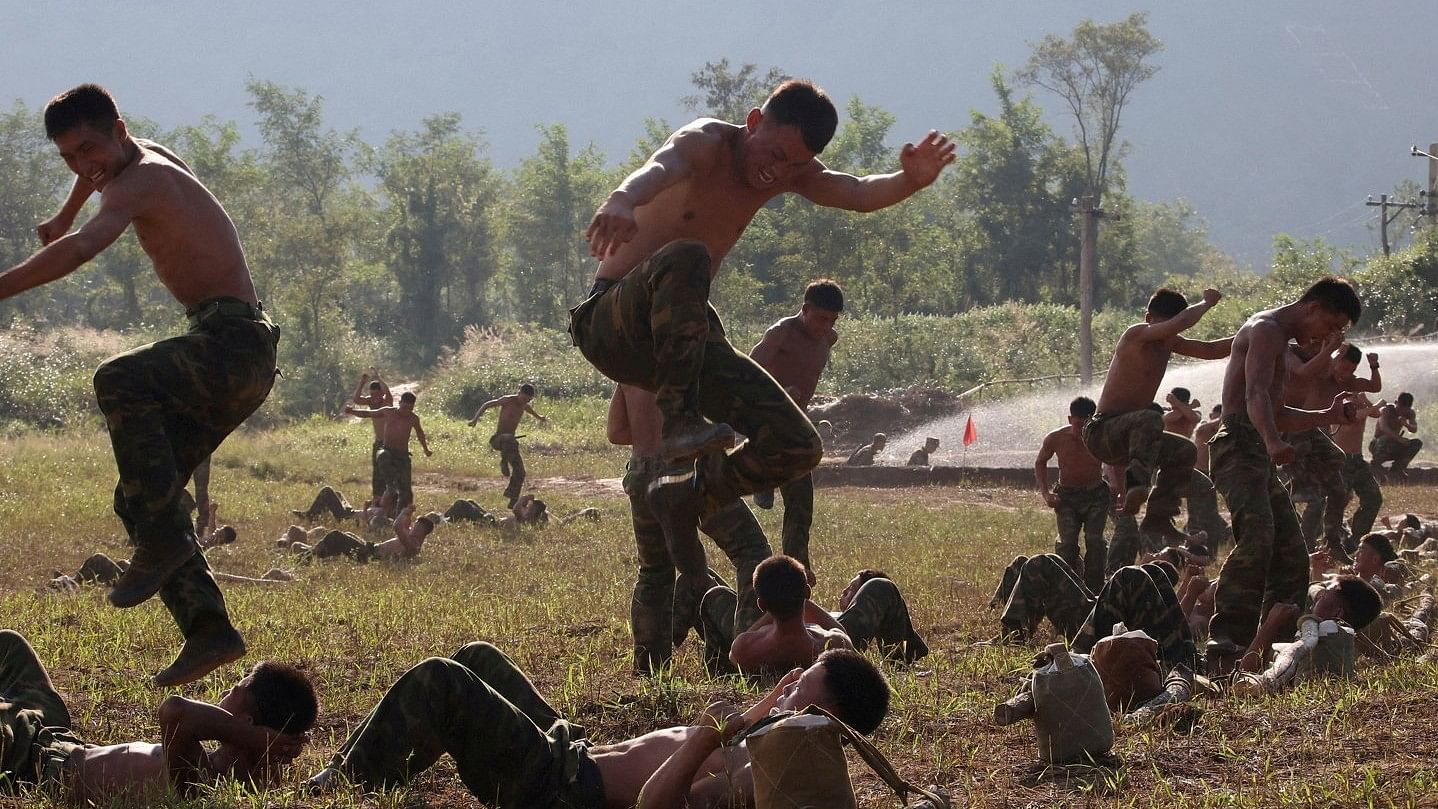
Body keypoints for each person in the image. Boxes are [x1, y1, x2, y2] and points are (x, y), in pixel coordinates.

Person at [568, 79, 954, 572]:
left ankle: (685, 497)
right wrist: (622, 198)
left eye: (793, 164)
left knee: (799, 445)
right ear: (754, 122)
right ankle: (681, 421)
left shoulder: (789, 171)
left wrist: (909, 182)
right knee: (689, 256)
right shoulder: (707, 142)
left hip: (682, 337)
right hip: (611, 321)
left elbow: (855, 192)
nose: (777, 171)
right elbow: (660, 166)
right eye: (774, 152)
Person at [0, 85, 281, 685]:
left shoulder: (141, 181)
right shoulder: (138, 156)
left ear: (119, 130)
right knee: (139, 499)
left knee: (119, 377)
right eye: (68, 156)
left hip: (231, 346)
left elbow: (81, 251)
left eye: (89, 149)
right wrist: (68, 207)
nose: (82, 165)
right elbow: (97, 178)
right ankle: (209, 629)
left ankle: (160, 546)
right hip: (237, 351)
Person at [306, 640, 891, 808]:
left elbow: (655, 805)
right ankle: (357, 764)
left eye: (801, 683)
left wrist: (714, 734)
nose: (787, 682)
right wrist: (765, 705)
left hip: (558, 789)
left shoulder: (763, 776)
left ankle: (351, 781)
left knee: (441, 680)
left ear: (825, 714)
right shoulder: (766, 732)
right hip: (573, 752)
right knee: (478, 657)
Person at [1206, 276, 1363, 675]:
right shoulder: (1265, 330)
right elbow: (1254, 396)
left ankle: (1276, 641)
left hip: (1256, 445)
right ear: (1313, 308)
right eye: (1330, 326)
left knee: (1292, 550)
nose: (1328, 337)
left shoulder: (1280, 340)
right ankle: (1226, 646)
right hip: (1238, 445)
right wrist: (1273, 442)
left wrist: (1328, 416)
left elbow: (1277, 410)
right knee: (1257, 537)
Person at [0, 629, 315, 800]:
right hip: (53, 733)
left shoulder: (200, 778)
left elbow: (176, 711)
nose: (224, 695)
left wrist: (256, 740)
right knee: (11, 645)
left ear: (245, 723)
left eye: (235, 689)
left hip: (27, 761)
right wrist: (265, 741)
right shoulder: (236, 767)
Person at [608, 383, 772, 674]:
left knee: (654, 572)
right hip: (692, 471)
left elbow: (617, 433)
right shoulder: (689, 358)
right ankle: (752, 656)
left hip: (643, 473)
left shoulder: (628, 368)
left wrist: (654, 437)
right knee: (751, 551)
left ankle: (650, 669)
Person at [1085, 288, 1232, 548]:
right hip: (1103, 432)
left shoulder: (1170, 341)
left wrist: (1254, 332)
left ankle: (1158, 517)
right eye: (1165, 327)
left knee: (1185, 450)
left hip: (1132, 436)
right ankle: (1136, 484)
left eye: (1172, 331)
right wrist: (1207, 303)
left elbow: (1212, 350)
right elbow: (1181, 321)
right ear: (1149, 318)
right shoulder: (1135, 334)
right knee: (1150, 417)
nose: (1169, 335)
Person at [748, 279, 844, 572]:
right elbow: (745, 375)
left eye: (831, 320)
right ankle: (764, 477)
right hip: (768, 422)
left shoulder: (828, 338)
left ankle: (797, 570)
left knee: (801, 505)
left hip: (796, 427)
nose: (824, 326)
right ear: (805, 309)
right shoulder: (780, 334)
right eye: (819, 319)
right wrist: (778, 392)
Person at [699, 558, 927, 675]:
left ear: (762, 604)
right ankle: (901, 662)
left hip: (759, 647)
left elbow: (746, 637)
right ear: (807, 593)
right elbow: (844, 636)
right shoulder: (830, 642)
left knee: (715, 593)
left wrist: (773, 609)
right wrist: (805, 602)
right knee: (881, 586)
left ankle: (714, 671)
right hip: (810, 633)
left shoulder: (743, 648)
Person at [1231, 577, 1382, 695]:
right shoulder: (1342, 645)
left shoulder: (1320, 639)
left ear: (1337, 614)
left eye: (1322, 598)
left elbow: (1244, 675)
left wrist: (1271, 624)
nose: (1313, 602)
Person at [1295, 345, 1384, 547]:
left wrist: (1374, 366)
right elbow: (1349, 418)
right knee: (1326, 501)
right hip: (1338, 460)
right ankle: (1307, 542)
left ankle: (1354, 542)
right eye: (1344, 368)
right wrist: (1371, 408)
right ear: (1336, 361)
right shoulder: (1331, 387)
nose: (1346, 374)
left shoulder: (1355, 390)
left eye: (1351, 371)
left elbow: (1375, 400)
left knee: (1373, 498)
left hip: (1357, 460)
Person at [1036, 397, 1110, 592]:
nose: (1082, 430)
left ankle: (1095, 590)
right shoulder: (1056, 438)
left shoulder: (1101, 437)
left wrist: (1119, 487)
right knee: (1067, 544)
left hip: (1096, 494)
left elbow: (1117, 461)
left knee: (1095, 541)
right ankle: (1067, 589)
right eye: (1078, 425)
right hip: (1067, 497)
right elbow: (1040, 462)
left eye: (1087, 424)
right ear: (1070, 419)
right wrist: (1046, 494)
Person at [346, 391, 432, 510]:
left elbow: (420, 434)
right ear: (399, 403)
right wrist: (352, 411)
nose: (407, 411)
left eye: (410, 408)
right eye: (405, 407)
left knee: (406, 493)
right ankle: (390, 486)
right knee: (382, 456)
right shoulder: (389, 411)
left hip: (402, 456)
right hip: (387, 451)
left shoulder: (413, 418)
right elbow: (368, 413)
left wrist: (426, 449)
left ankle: (399, 517)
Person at [469, 384, 548, 508]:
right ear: (519, 393)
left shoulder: (525, 406)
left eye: (528, 400)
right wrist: (475, 419)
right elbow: (486, 405)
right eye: (524, 398)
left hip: (511, 444)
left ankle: (513, 499)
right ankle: (503, 462)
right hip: (498, 439)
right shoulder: (507, 400)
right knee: (508, 437)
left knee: (520, 472)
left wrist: (541, 418)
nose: (525, 402)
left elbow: (534, 413)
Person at [290, 507, 436, 563]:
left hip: (371, 555)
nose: (411, 529)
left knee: (336, 535)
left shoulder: (413, 545)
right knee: (346, 535)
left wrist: (404, 513)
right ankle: (320, 555)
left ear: (422, 532)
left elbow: (397, 526)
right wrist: (408, 514)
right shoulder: (412, 539)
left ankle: (307, 557)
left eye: (416, 528)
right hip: (371, 549)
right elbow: (403, 526)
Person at [352, 369, 393, 498]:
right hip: (378, 442)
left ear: (381, 394)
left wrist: (378, 377)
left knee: (389, 471)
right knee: (377, 472)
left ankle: (391, 498)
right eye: (372, 394)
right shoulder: (371, 402)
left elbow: (388, 392)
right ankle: (377, 498)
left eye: (377, 394)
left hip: (390, 444)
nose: (374, 397)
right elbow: (356, 399)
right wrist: (362, 382)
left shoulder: (386, 403)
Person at [1370, 392, 1422, 480]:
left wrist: (1406, 424)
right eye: (1400, 408)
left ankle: (1397, 468)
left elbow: (1414, 429)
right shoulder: (1386, 410)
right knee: (1386, 438)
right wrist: (1400, 439)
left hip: (1394, 445)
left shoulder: (1410, 413)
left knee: (1417, 443)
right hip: (1377, 445)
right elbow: (1384, 428)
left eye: (1405, 409)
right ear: (1396, 402)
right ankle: (1376, 465)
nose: (1401, 411)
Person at [1193, 404, 1222, 475]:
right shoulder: (1203, 428)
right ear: (1210, 415)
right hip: (1199, 470)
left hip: (1216, 473)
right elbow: (1202, 429)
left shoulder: (1226, 432)